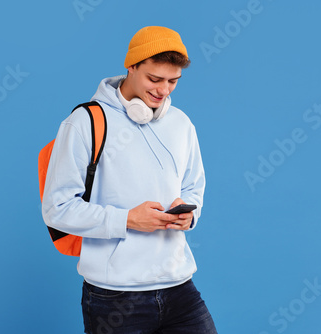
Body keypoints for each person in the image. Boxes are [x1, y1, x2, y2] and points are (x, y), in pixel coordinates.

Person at [42, 26, 217, 333]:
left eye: (173, 81)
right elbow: (57, 208)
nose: (164, 90)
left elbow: (194, 187)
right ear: (132, 66)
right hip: (114, 296)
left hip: (179, 287)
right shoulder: (84, 123)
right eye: (155, 79)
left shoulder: (181, 124)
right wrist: (127, 219)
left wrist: (190, 214)